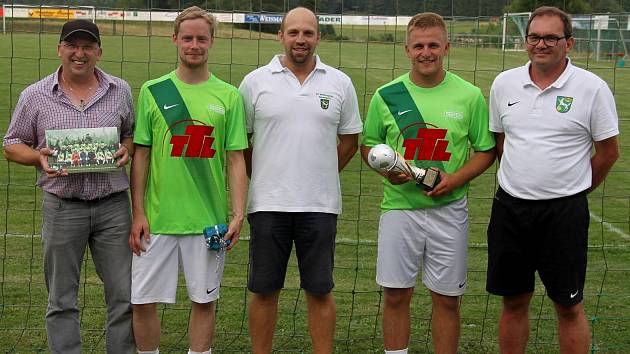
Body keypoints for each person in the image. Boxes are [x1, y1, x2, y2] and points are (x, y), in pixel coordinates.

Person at [360, 12, 496, 354]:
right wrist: (385, 170)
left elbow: (485, 151)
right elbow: (369, 145)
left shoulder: (469, 95)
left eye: (433, 45)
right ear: (406, 49)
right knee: (395, 295)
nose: (426, 52)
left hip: (449, 211)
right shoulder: (386, 95)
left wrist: (454, 180)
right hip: (399, 210)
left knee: (447, 299)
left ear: (446, 47)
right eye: (418, 45)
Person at [486, 6, 619, 353]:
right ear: (526, 41)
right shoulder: (504, 84)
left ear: (568, 43)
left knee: (568, 305)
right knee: (513, 301)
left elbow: (608, 152)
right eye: (534, 36)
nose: (540, 44)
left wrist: (575, 189)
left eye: (550, 37)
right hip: (511, 209)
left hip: (564, 215)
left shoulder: (592, 88)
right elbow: (501, 141)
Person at [2, 19, 135, 354]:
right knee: (61, 296)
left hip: (113, 207)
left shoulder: (120, 90)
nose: (80, 53)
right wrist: (37, 157)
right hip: (63, 207)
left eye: (88, 46)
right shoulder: (35, 95)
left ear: (99, 51)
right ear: (59, 49)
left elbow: (130, 134)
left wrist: (127, 149)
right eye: (72, 46)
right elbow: (11, 143)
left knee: (124, 294)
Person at [238, 7, 362, 354]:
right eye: (293, 32)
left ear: (318, 37)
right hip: (268, 204)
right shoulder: (254, 82)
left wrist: (319, 171)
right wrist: (265, 172)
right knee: (264, 290)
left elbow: (350, 141)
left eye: (308, 33)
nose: (300, 40)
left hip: (319, 205)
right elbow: (241, 142)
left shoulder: (339, 82)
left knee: (320, 290)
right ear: (281, 36)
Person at [128, 6, 248, 354]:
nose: (194, 45)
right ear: (175, 40)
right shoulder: (154, 91)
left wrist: (237, 213)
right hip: (157, 219)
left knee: (203, 301)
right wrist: (138, 212)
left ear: (212, 42)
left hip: (207, 222)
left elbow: (235, 157)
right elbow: (142, 155)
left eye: (201, 38)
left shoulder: (229, 96)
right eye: (187, 38)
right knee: (142, 301)